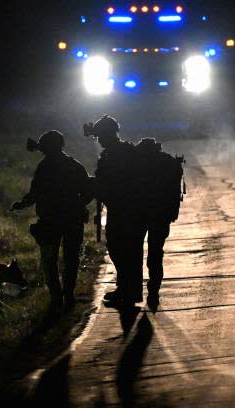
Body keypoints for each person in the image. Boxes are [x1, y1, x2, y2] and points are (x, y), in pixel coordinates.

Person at [11, 131, 93, 311]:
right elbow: (88, 190)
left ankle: (57, 298)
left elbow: (34, 193)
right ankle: (68, 296)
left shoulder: (44, 167)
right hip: (72, 220)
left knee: (49, 261)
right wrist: (79, 205)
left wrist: (22, 204)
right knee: (71, 260)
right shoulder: (74, 165)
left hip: (50, 221)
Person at [86, 115, 147, 307]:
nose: (99, 140)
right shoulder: (124, 150)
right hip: (130, 209)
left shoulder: (115, 154)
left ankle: (128, 291)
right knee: (128, 251)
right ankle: (128, 290)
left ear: (108, 134)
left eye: (100, 136)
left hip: (125, 210)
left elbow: (111, 182)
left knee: (122, 250)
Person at [134, 138, 184, 309]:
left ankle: (136, 289)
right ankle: (153, 288)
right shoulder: (168, 162)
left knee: (136, 252)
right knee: (156, 252)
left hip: (139, 213)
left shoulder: (136, 163)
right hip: (161, 214)